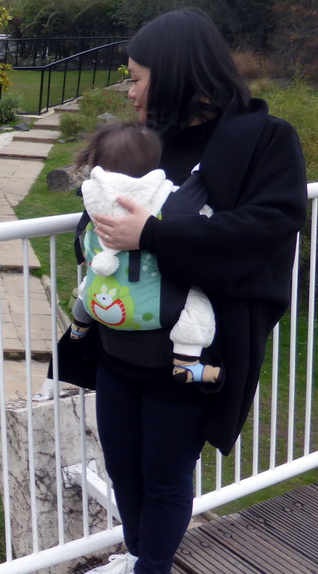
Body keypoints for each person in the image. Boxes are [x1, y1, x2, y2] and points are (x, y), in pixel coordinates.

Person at [59, 7, 306, 574]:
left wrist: (156, 234)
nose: (131, 90)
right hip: (119, 349)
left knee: (167, 474)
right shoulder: (153, 143)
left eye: (138, 78)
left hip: (188, 357)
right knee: (123, 464)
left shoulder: (264, 139)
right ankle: (137, 555)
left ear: (174, 75)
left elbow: (267, 229)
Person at [70, 121, 222, 385]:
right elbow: (204, 227)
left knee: (88, 283)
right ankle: (186, 362)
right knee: (197, 304)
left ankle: (79, 325)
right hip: (156, 313)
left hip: (102, 305)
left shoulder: (93, 201)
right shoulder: (169, 199)